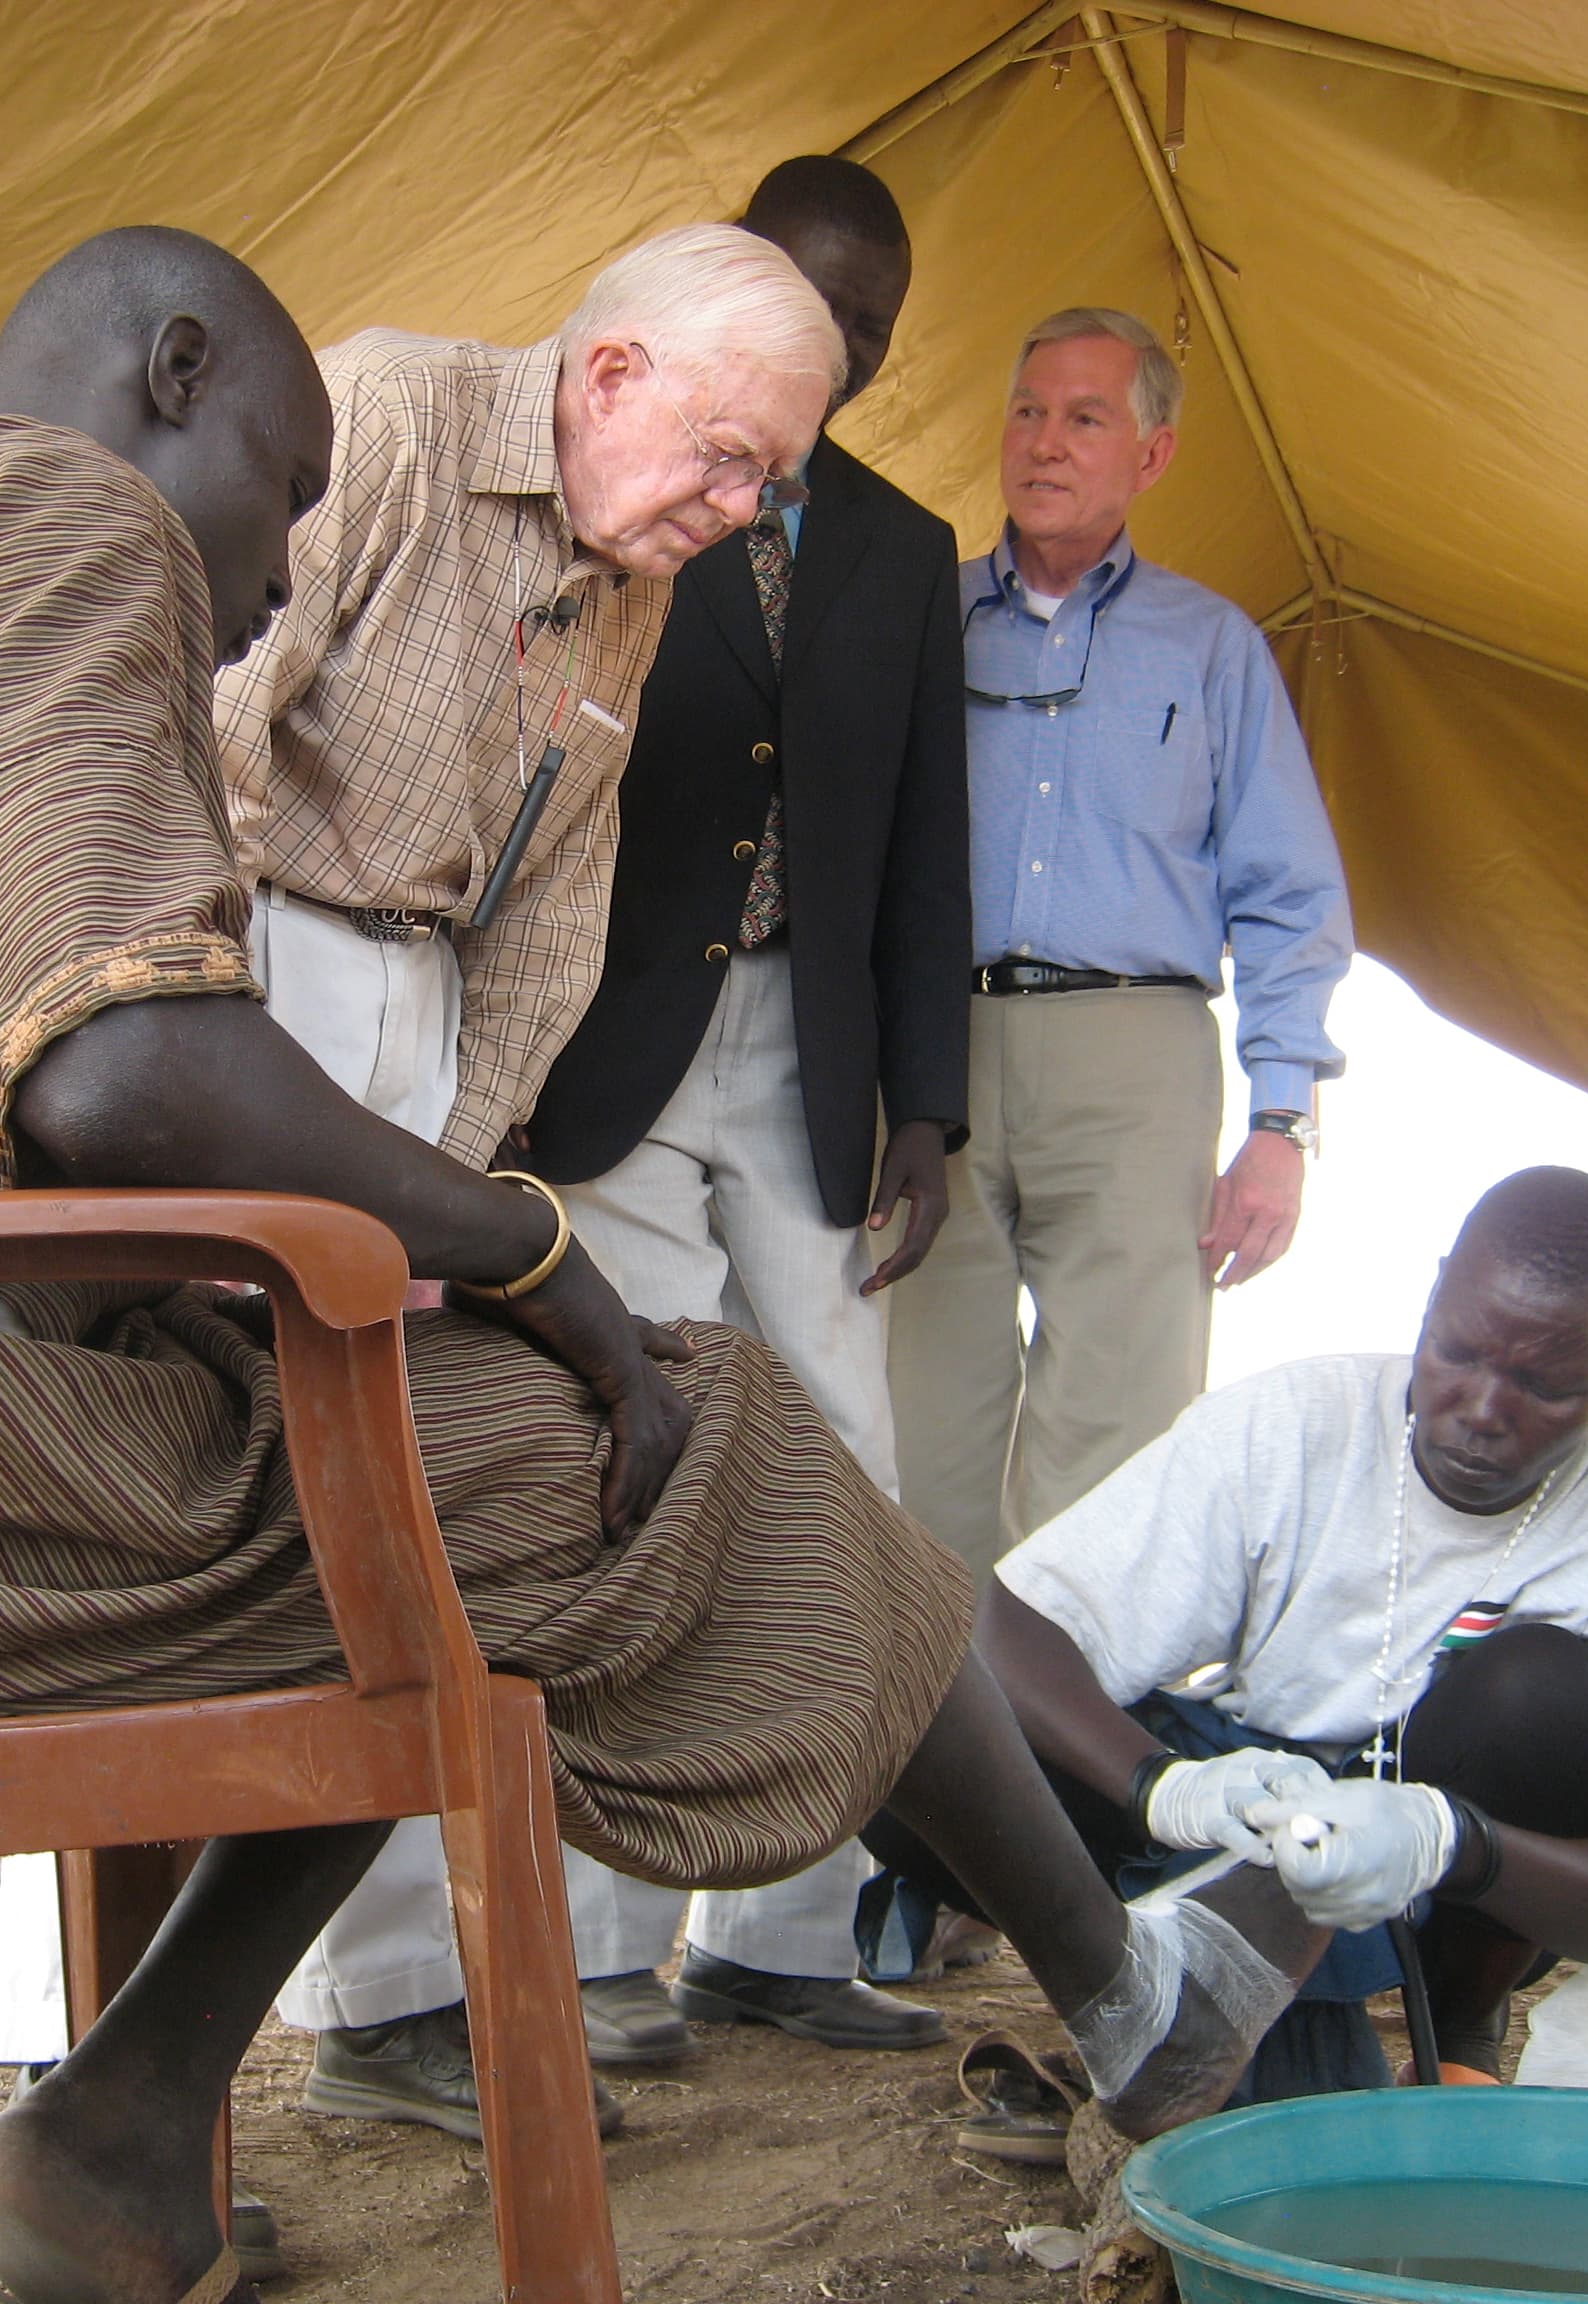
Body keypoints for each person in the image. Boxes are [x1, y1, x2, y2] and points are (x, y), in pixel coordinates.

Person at [0, 227, 1303, 2304]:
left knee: (428, 1462)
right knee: (678, 1432)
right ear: (173, 373)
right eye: (282, 493)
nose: (271, 582)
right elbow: (127, 1062)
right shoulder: (52, 509)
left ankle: (125, 2127)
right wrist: (528, 1251)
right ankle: (1135, 1999)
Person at [0, 219, 850, 2149]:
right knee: (139, 1470)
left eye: (765, 477)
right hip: (226, 971)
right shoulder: (374, 412)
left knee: (374, 1491)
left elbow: (556, 913)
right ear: (608, 372)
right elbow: (192, 718)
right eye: (724, 451)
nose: (738, 504)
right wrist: (205, 1015)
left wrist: (453, 1194)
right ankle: (71, 2043)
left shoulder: (636, 567)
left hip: (418, 1022)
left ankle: (378, 2009)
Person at [516, 156, 969, 2064]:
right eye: (812, 299)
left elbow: (927, 843)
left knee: (849, 1468)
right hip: (611, 1039)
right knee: (637, 1461)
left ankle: (783, 1932)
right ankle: (602, 1950)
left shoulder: (901, 545)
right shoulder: (616, 475)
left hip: (813, 1056)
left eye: (870, 325)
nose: (842, 346)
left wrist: (927, 1108)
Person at [866, 1168, 1588, 2115]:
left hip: (1443, 1868)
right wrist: (1162, 1785)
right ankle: (1128, 2007)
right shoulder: (1296, 1423)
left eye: (1547, 1386)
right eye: (1457, 1352)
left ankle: (1455, 2037)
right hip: (1232, 1811)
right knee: (909, 1724)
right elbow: (1011, 1627)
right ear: (1434, 1295)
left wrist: (1454, 1843)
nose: (1484, 1408)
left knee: (1544, 1692)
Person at [885, 306, 1351, 1582]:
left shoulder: (1212, 647)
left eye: (1086, 417)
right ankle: (932, 1754)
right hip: (935, 1055)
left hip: (1137, 1058)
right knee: (919, 1427)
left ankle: (1067, 1752)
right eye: (1028, 411)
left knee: (1124, 1433)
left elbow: (1289, 895)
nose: (1045, 443)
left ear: (1152, 457)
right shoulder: (919, 620)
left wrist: (1281, 1124)